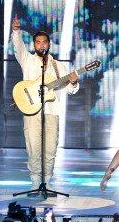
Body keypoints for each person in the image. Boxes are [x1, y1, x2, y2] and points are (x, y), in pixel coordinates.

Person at [11, 14, 79, 196]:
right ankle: (35, 182)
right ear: (34, 45)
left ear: (49, 44)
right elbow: (17, 47)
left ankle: (47, 182)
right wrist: (16, 31)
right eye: (38, 42)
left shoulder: (58, 66)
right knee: (33, 148)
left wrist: (72, 82)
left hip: (51, 112)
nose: (41, 45)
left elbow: (69, 90)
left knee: (50, 149)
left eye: (44, 42)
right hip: (32, 111)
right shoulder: (28, 60)